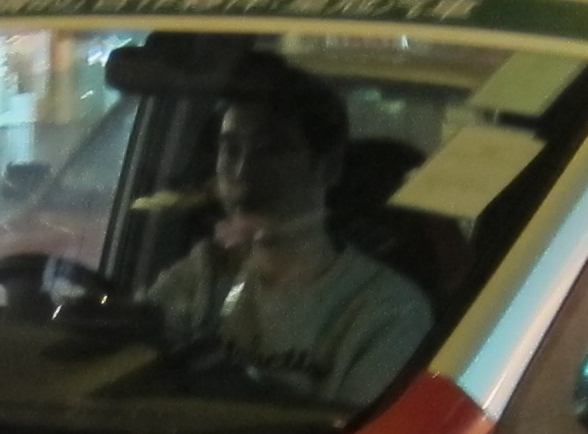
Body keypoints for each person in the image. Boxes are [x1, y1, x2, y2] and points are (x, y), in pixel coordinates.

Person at [145, 58, 435, 406]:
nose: (242, 170)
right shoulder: (201, 276)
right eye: (230, 148)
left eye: (271, 149)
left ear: (327, 168)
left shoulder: (385, 311)